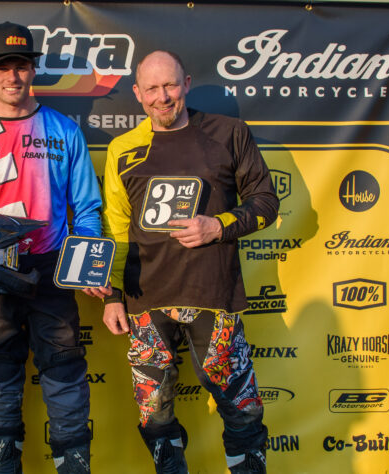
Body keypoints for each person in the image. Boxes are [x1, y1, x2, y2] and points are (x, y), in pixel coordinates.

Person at [101, 50, 279, 474]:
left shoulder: (229, 133)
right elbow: (117, 229)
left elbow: (266, 203)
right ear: (137, 94)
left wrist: (218, 226)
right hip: (147, 302)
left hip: (213, 297)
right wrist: (111, 296)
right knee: (155, 415)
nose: (163, 97)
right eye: (152, 89)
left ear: (187, 83)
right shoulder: (122, 149)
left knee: (241, 408)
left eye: (170, 85)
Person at [0, 21, 102, 474]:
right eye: (3, 67)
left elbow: (86, 209)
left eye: (22, 66)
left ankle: (74, 464)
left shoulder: (65, 131)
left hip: (52, 268)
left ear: (32, 71)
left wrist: (88, 266)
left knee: (65, 370)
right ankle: (4, 465)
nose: (13, 76)